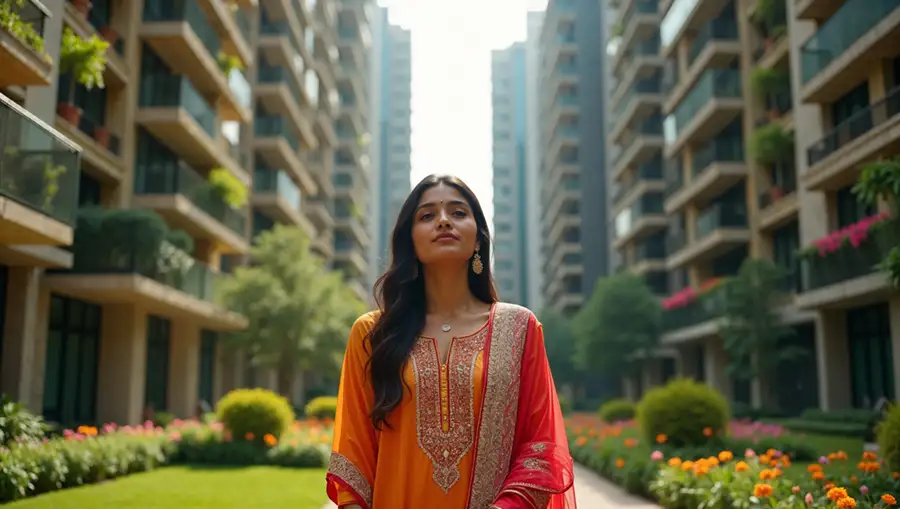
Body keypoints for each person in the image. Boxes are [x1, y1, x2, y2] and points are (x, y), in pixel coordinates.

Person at [326, 175, 576, 509]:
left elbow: (541, 448)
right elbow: (353, 454)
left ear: (478, 239)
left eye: (458, 212)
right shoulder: (373, 334)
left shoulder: (519, 328)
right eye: (427, 215)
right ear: (410, 241)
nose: (443, 220)